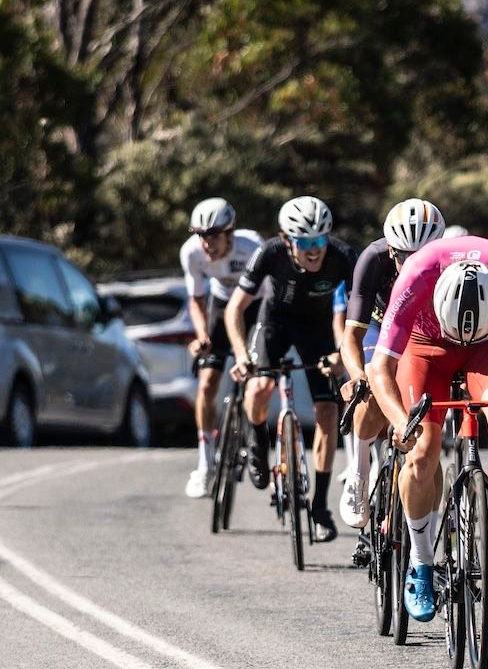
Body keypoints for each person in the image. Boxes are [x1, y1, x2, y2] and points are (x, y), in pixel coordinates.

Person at [368, 236, 488, 622]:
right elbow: (379, 368)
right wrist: (403, 423)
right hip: (425, 345)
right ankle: (420, 566)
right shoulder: (416, 274)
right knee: (422, 451)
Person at [224, 196, 356, 543]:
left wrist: (342, 355)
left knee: (328, 412)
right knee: (260, 388)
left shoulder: (343, 257)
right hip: (275, 324)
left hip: (319, 330)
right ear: (287, 240)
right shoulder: (269, 253)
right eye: (304, 242)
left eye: (319, 241)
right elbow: (235, 309)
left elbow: (356, 317)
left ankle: (321, 507)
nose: (314, 251)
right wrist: (241, 355)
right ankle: (256, 439)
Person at [338, 199, 446, 533]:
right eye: (403, 257)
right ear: (390, 251)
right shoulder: (371, 260)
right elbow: (351, 335)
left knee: (427, 435)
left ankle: (422, 536)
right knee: (371, 387)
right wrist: (357, 375)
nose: (412, 265)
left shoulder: (451, 262)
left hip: (423, 331)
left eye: (421, 257)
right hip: (379, 325)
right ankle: (359, 472)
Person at [182, 198, 263, 499]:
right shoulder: (191, 252)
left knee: (256, 380)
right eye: (201, 236)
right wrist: (202, 336)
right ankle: (205, 464)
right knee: (206, 384)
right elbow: (195, 299)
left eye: (213, 236)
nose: (206, 244)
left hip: (254, 307)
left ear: (230, 232)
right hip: (219, 305)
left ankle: (254, 437)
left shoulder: (251, 245)